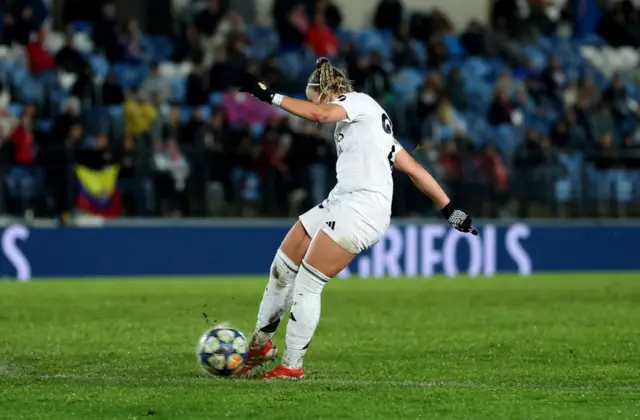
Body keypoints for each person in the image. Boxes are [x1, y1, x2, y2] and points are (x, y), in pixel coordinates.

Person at [237, 57, 477, 379]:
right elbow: (415, 170)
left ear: (325, 93)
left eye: (311, 99)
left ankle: (291, 367)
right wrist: (450, 210)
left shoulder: (357, 102)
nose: (312, 109)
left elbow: (320, 113)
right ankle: (261, 345)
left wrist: (270, 97)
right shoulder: (373, 129)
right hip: (341, 200)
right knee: (283, 265)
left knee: (308, 283)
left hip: (364, 207)